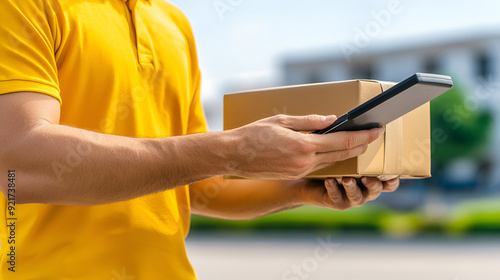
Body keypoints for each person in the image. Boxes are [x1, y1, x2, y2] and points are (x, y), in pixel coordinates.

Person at [0, 0, 399, 279]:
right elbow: (17, 161)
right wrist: (230, 150)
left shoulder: (173, 24)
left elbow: (197, 183)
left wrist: (302, 188)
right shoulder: (20, 6)